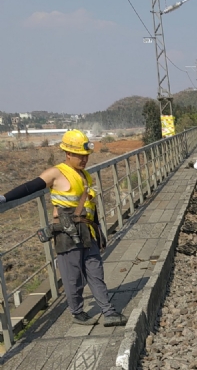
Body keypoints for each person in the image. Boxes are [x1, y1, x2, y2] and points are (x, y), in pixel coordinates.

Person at [0, 130, 127, 327]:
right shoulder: (56, 173)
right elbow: (29, 187)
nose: (84, 159)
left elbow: (90, 206)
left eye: (86, 156)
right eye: (80, 155)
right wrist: (4, 198)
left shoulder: (84, 175)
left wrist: (99, 231)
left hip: (87, 231)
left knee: (95, 270)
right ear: (68, 153)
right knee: (72, 275)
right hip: (67, 233)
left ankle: (108, 311)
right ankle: (77, 312)